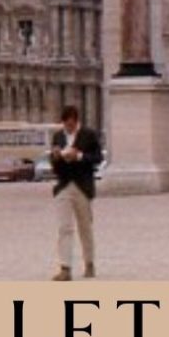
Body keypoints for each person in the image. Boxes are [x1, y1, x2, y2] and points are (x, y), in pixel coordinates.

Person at [50, 104, 102, 281]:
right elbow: (55, 168)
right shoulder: (58, 136)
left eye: (71, 124)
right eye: (66, 124)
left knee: (85, 228)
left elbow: (97, 158)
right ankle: (65, 268)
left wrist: (79, 156)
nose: (69, 127)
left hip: (82, 186)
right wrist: (56, 157)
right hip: (64, 186)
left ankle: (89, 263)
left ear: (77, 121)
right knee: (64, 228)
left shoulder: (88, 135)